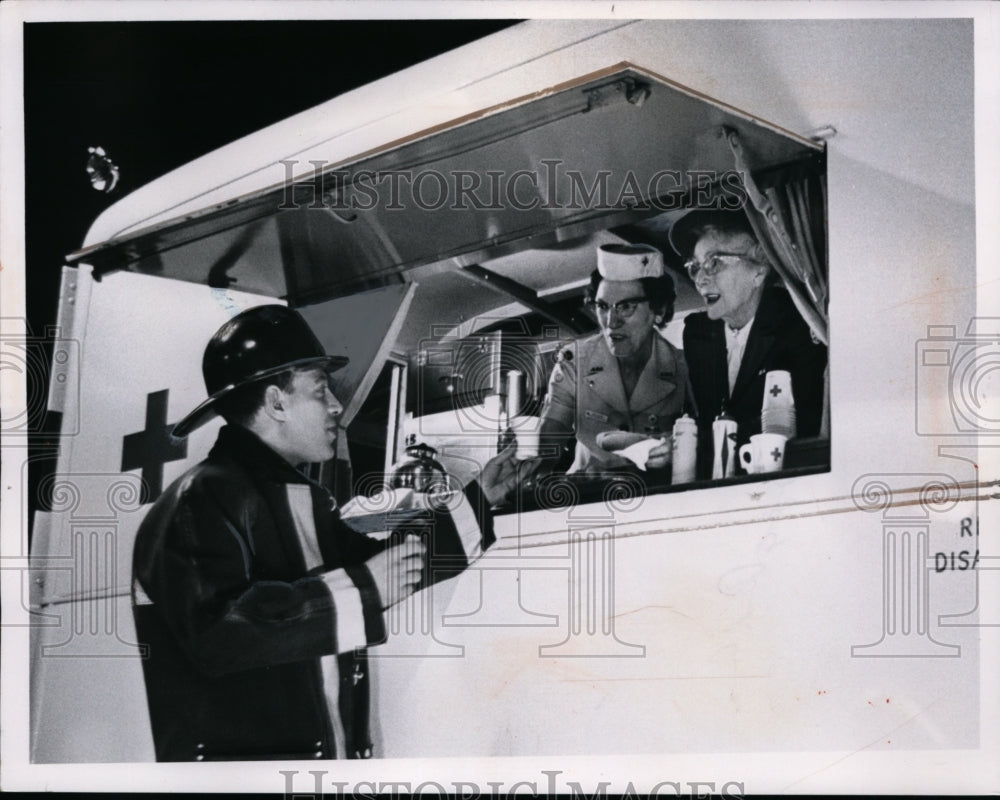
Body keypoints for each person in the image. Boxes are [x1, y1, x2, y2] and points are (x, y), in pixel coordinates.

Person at [131, 305, 519, 762]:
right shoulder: (200, 498)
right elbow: (217, 635)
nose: (337, 406)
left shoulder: (296, 495)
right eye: (321, 390)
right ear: (276, 402)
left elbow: (383, 565)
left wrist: (478, 501)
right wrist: (360, 588)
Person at [671, 208, 827, 479]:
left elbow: (805, 421)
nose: (699, 279)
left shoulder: (800, 323)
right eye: (694, 267)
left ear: (759, 271)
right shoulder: (697, 335)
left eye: (714, 263)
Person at [534, 243, 690, 476]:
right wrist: (530, 463)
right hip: (587, 495)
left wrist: (673, 448)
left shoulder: (684, 369)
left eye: (625, 307)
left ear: (658, 310)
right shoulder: (574, 362)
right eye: (603, 306)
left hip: (656, 497)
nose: (611, 321)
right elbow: (551, 432)